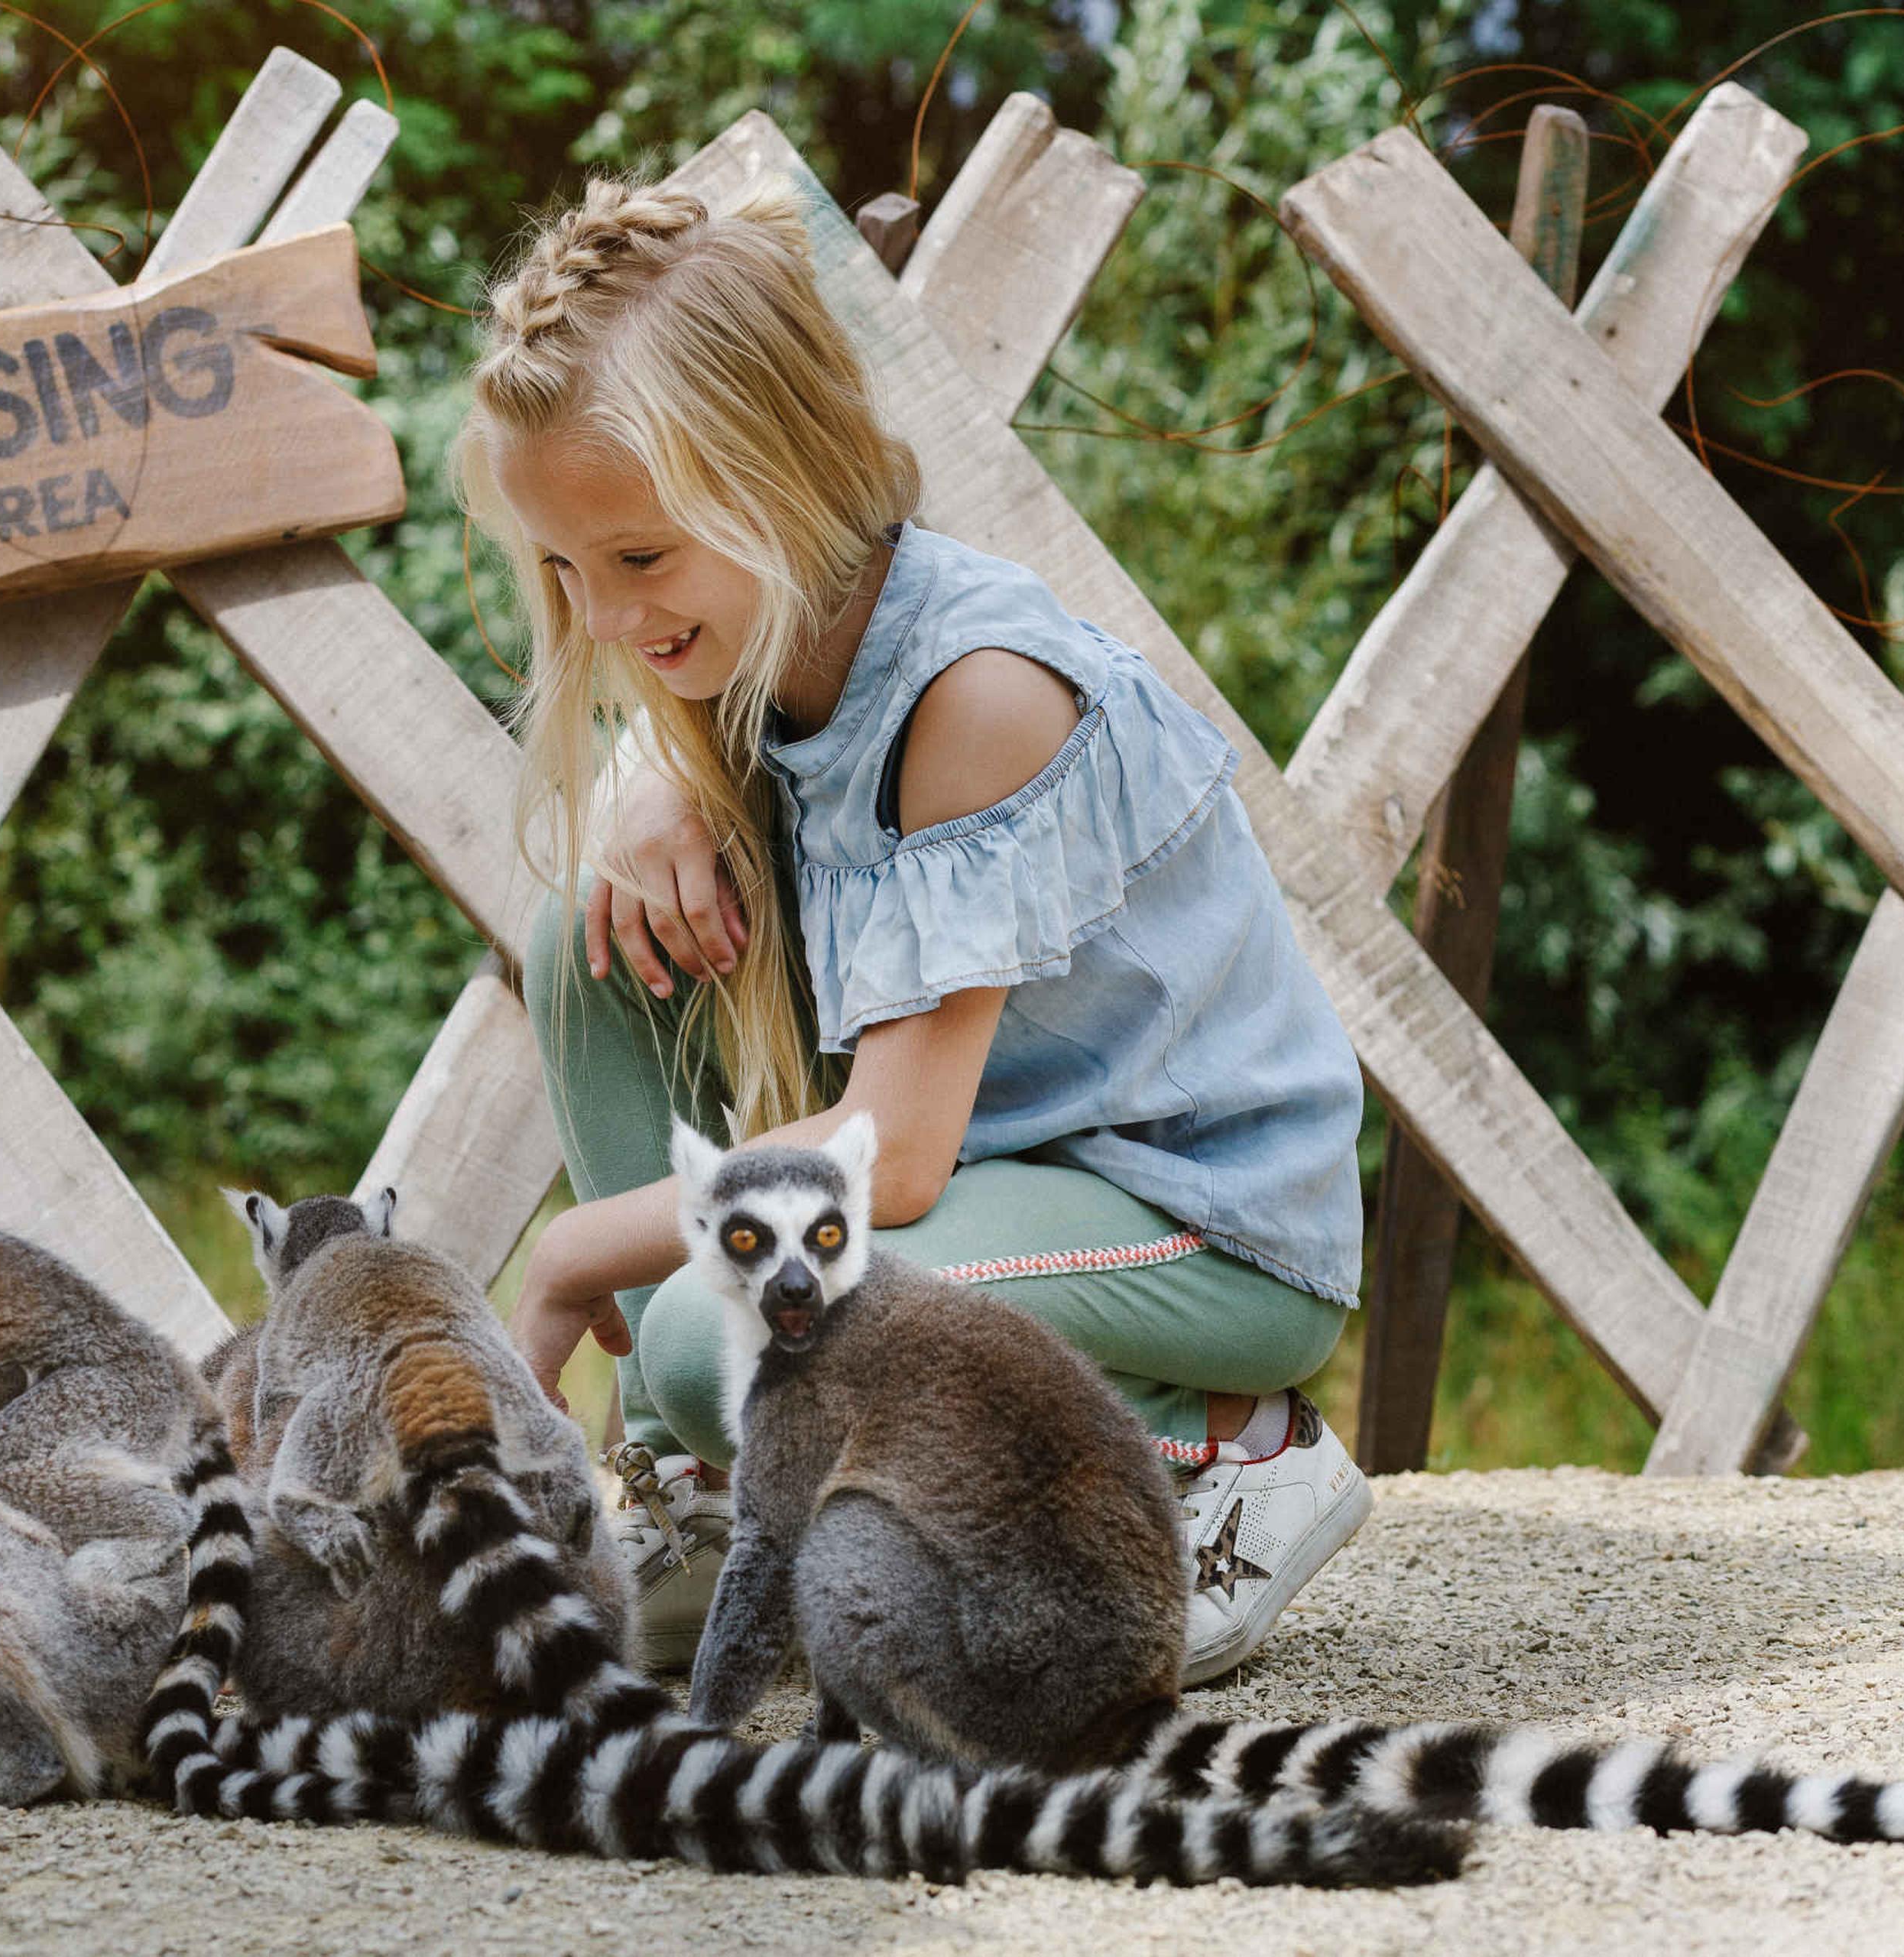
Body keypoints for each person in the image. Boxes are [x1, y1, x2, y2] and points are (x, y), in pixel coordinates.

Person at [465, 177, 1372, 1686]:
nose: (605, 620)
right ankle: (712, 1488)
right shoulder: (775, 633)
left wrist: (563, 1257)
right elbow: (678, 688)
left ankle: (1227, 1453)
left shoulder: (975, 695)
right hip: (1021, 1173)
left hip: (1195, 1218)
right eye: (566, 567)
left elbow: (897, 1151)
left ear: (778, 481)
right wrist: (649, 772)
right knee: (593, 939)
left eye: (640, 560)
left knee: (721, 1337)